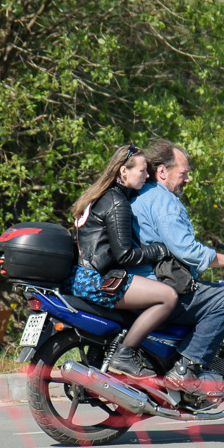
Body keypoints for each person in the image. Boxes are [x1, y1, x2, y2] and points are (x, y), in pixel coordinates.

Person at [129, 140, 224, 394]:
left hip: (143, 284)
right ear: (162, 171)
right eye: (183, 173)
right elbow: (185, 249)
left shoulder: (143, 194)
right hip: (159, 285)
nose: (188, 179)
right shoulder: (163, 201)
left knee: (208, 293)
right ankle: (185, 370)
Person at [70, 144, 178, 377]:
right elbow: (125, 255)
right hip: (98, 281)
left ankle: (104, 353)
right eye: (142, 170)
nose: (147, 175)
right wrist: (159, 250)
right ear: (123, 171)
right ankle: (125, 354)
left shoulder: (101, 196)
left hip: (83, 276)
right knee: (168, 297)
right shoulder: (117, 202)